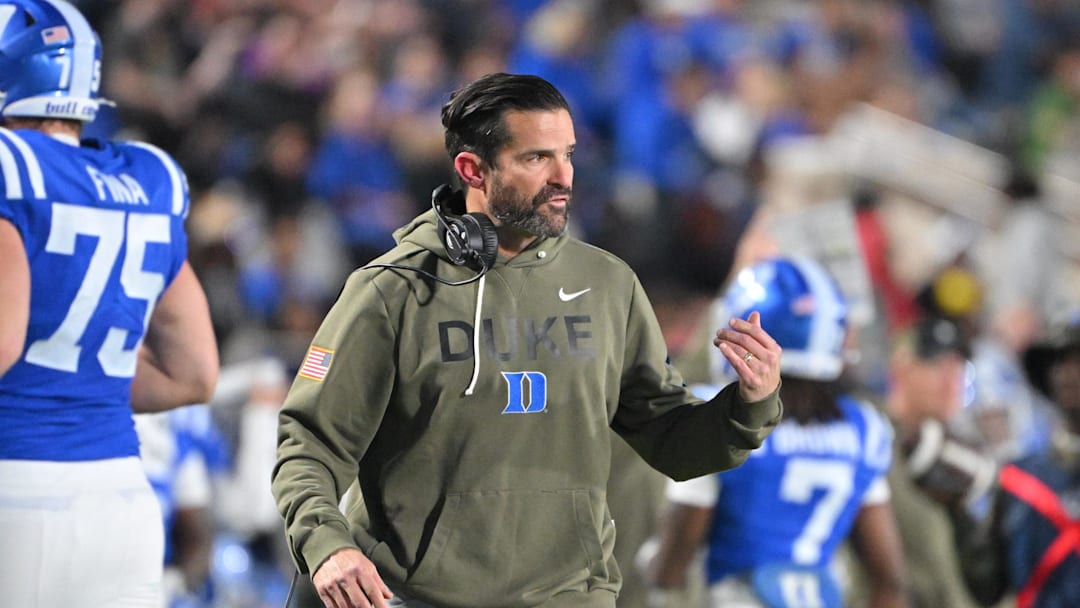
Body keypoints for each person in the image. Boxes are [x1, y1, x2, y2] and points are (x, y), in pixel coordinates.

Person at [271, 72, 784, 608]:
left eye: (568, 154)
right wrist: (327, 546)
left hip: (567, 595)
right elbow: (308, 446)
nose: (564, 177)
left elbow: (670, 440)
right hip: (413, 595)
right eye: (537, 158)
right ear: (473, 169)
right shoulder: (392, 292)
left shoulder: (608, 285)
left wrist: (748, 404)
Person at [0, 1, 219, 605]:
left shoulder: (10, 168)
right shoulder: (148, 177)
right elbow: (194, 374)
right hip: (122, 500)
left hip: (14, 487)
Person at [640, 256, 908, 608]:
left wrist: (652, 563)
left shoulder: (717, 420)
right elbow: (890, 580)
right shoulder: (865, 429)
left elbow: (670, 571)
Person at [911, 320, 1080, 608]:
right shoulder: (1019, 478)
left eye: (1077, 361)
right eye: (1061, 362)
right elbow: (986, 588)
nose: (1067, 373)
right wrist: (959, 509)